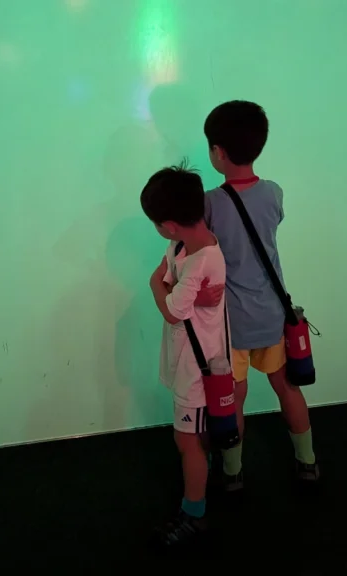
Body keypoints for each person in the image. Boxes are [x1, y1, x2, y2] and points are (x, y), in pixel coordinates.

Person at [199, 100, 320, 490]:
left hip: (231, 323)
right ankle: (307, 461)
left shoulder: (210, 203)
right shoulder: (273, 193)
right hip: (271, 314)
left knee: (234, 395)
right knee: (287, 387)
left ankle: (232, 472)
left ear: (218, 152)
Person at [141, 162, 228, 545]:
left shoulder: (202, 260)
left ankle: (195, 512)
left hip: (199, 366)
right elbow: (171, 287)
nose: (158, 231)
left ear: (170, 224)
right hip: (187, 359)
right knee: (192, 437)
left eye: (157, 223)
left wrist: (155, 287)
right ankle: (202, 478)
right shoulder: (180, 246)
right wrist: (172, 292)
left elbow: (171, 305)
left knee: (187, 441)